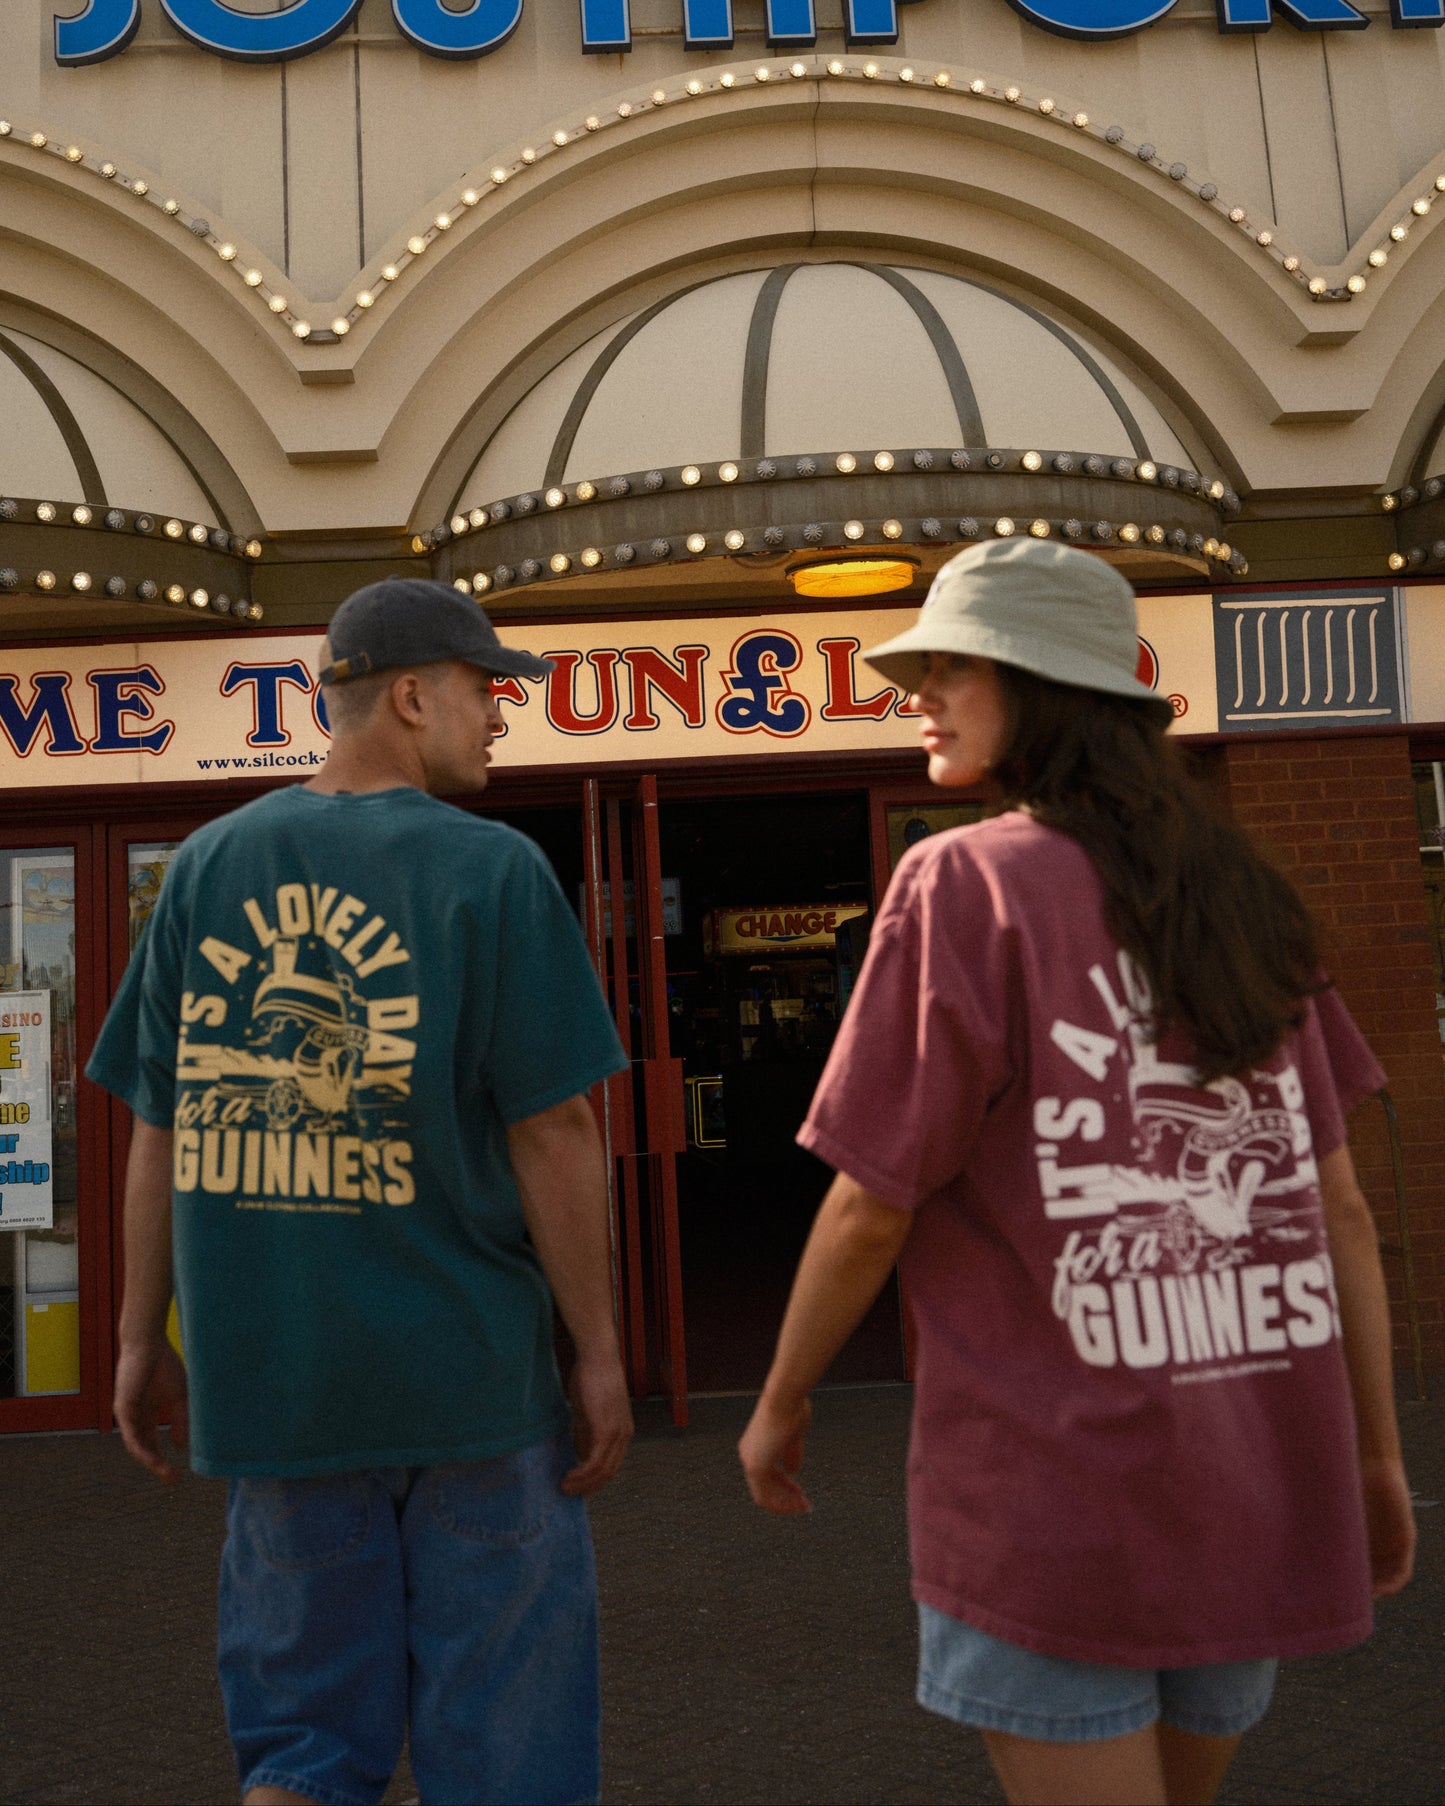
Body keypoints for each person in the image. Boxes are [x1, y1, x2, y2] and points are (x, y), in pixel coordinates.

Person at [738, 539, 1416, 1806]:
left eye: (951, 665)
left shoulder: (962, 880)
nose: (916, 691)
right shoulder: (1242, 893)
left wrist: (778, 1398)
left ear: (1039, 684)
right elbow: (1336, 1208)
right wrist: (1370, 1457)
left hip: (1048, 1501)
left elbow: (869, 1206)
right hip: (1255, 1488)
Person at [88, 577, 634, 1806]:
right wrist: (598, 1350)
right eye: (483, 691)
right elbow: (555, 1127)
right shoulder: (491, 873)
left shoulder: (203, 870)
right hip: (476, 1394)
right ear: (407, 694)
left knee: (301, 1760)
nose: (500, 717)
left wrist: (135, 1337)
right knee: (506, 1758)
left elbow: (158, 1125)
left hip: (279, 1391)